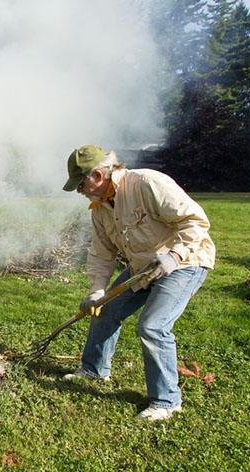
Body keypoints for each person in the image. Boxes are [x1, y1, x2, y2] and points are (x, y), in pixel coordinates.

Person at [61, 144, 215, 421]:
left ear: (97, 175)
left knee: (153, 326)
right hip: (143, 268)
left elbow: (195, 221)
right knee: (105, 309)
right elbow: (101, 253)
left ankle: (167, 400)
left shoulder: (147, 183)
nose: (78, 191)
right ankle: (94, 370)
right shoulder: (100, 209)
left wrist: (175, 254)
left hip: (186, 262)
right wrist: (97, 291)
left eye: (80, 184)